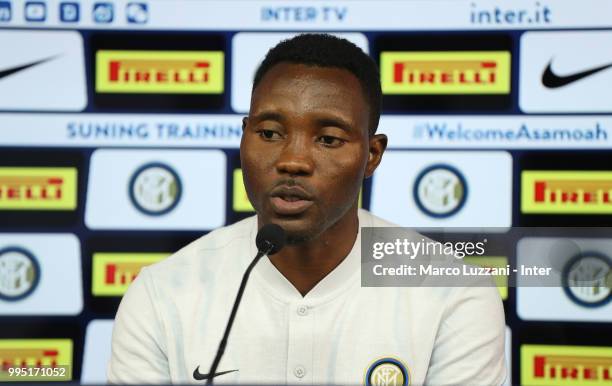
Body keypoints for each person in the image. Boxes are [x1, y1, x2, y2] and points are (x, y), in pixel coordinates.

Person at [107, 34, 506, 385]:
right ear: (244, 137)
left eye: (328, 139)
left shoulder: (453, 294)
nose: (293, 160)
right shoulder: (161, 294)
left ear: (371, 155)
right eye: (269, 133)